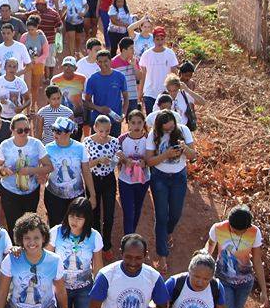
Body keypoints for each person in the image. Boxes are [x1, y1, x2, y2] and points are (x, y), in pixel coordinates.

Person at [146, 110, 195, 270]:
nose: (169, 131)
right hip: (159, 177)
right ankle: (162, 255)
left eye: (171, 128)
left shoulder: (184, 130)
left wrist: (185, 149)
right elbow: (149, 161)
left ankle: (167, 232)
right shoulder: (153, 134)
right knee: (161, 216)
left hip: (178, 177)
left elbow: (193, 156)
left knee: (175, 213)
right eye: (166, 129)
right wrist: (166, 154)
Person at [0, 114, 52, 233]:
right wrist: (3, 171)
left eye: (27, 130)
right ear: (12, 130)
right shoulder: (5, 145)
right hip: (9, 192)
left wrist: (31, 171)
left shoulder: (36, 144)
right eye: (20, 130)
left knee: (29, 226)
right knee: (13, 225)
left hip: (31, 192)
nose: (24, 133)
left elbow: (49, 167)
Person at [43, 117, 94, 228]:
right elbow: (43, 172)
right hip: (54, 196)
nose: (55, 133)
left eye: (58, 131)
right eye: (54, 129)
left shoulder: (80, 148)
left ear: (69, 133)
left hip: (76, 197)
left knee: (76, 227)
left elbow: (86, 172)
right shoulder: (47, 148)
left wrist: (93, 195)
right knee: (55, 227)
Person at [84, 115, 121, 248]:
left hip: (109, 180)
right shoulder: (87, 141)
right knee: (94, 213)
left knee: (109, 214)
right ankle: (96, 244)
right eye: (101, 131)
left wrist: (115, 159)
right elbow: (85, 165)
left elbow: (115, 164)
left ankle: (106, 244)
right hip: (92, 180)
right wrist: (98, 160)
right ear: (95, 128)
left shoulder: (115, 142)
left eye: (107, 131)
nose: (104, 134)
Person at [117, 108, 153, 239]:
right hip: (125, 181)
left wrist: (146, 162)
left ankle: (131, 236)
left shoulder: (149, 138)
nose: (136, 126)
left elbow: (153, 158)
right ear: (127, 124)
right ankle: (128, 241)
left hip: (143, 180)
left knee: (137, 209)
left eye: (139, 122)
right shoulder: (121, 139)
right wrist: (123, 159)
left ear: (144, 123)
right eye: (133, 122)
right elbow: (115, 158)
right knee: (128, 212)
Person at [83, 50, 130, 136]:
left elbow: (126, 98)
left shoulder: (120, 76)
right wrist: (99, 108)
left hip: (115, 119)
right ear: (97, 62)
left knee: (114, 147)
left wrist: (123, 114)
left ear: (110, 61)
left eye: (105, 61)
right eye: (100, 62)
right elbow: (87, 102)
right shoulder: (92, 79)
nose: (103, 64)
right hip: (98, 121)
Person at [138, 26, 179, 109]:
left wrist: (175, 91)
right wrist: (141, 91)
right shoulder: (146, 54)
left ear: (164, 39)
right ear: (153, 39)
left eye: (162, 39)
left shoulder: (170, 53)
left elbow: (174, 73)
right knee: (151, 119)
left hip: (166, 93)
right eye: (157, 39)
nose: (160, 41)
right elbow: (143, 74)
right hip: (150, 92)